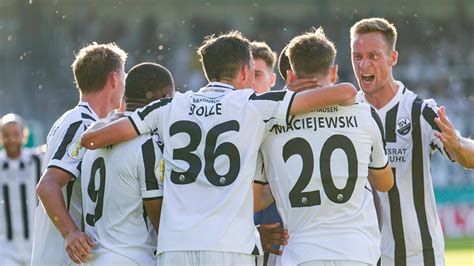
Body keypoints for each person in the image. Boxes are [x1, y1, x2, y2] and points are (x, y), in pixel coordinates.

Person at [81, 31, 357, 265]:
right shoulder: (254, 105)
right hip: (230, 247)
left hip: (176, 247)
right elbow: (345, 92)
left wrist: (92, 131)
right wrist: (301, 88)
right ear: (245, 71)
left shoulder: (171, 106)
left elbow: (94, 139)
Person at [256, 27, 394, 266]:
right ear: (334, 72)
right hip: (357, 252)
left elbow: (256, 200)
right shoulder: (363, 115)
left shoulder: (269, 124)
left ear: (289, 77)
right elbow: (385, 183)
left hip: (301, 254)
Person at [350, 17, 474, 266]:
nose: (363, 64)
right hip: (364, 256)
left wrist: (458, 145)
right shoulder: (348, 114)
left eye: (373, 56)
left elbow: (469, 158)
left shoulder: (419, 111)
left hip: (420, 256)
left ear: (392, 58)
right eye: (357, 56)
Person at [32, 43, 127, 265]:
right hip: (63, 258)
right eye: (124, 76)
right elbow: (47, 185)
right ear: (113, 79)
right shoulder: (82, 124)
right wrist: (70, 234)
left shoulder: (77, 120)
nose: (124, 83)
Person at [81, 62, 174, 265]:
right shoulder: (147, 144)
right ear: (165, 100)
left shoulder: (98, 134)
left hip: (91, 258)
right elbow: (158, 216)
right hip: (131, 257)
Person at [0, 114, 42, 266]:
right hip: (6, 246)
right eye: (6, 135)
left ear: (24, 135)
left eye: (15, 134)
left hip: (36, 242)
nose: (11, 139)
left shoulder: (37, 160)